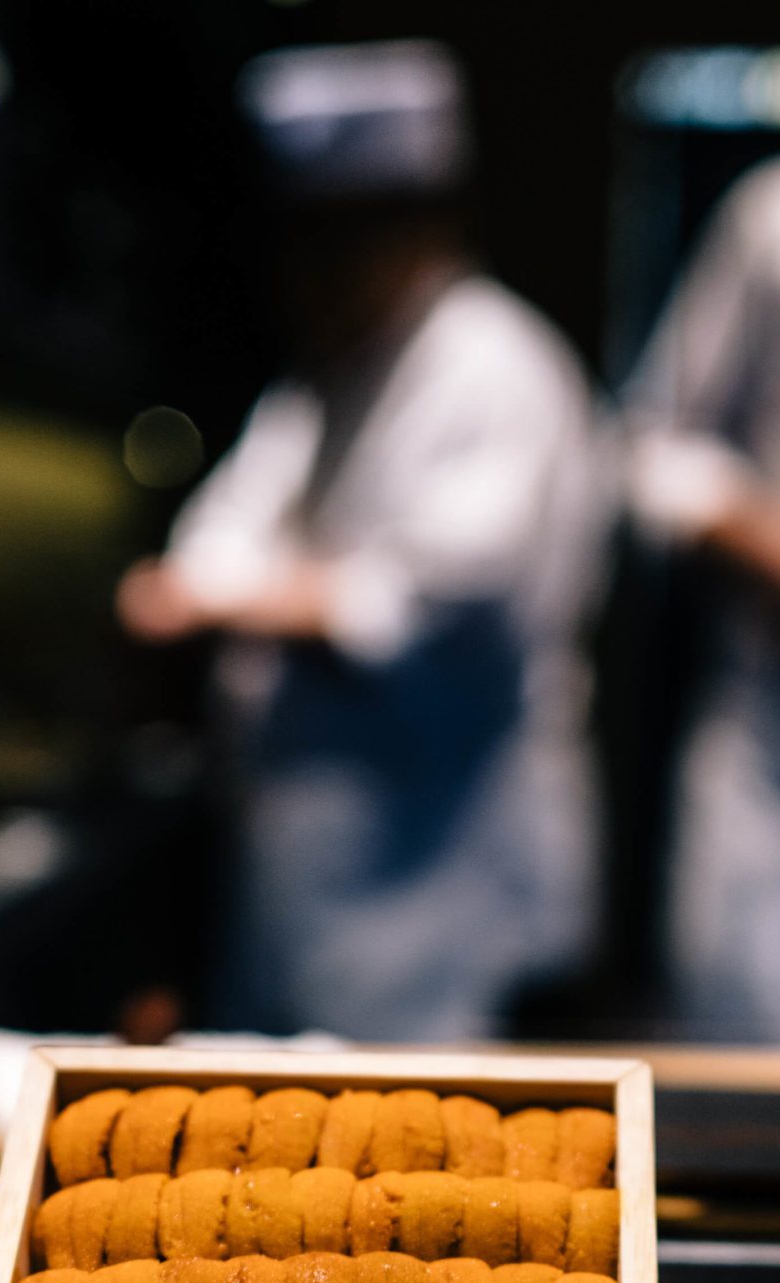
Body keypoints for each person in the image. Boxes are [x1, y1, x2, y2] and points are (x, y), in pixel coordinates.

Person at [117, 41, 609, 1041]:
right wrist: (238, 585)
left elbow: (435, 601)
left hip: (439, 883)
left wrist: (239, 595)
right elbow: (210, 537)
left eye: (348, 235)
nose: (317, 271)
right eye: (304, 238)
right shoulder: (321, 381)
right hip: (311, 881)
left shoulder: (493, 364)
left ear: (426, 222)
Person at [627, 154, 780, 1041]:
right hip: (773, 744)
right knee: (752, 1087)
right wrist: (763, 541)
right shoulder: (774, 214)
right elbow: (657, 448)